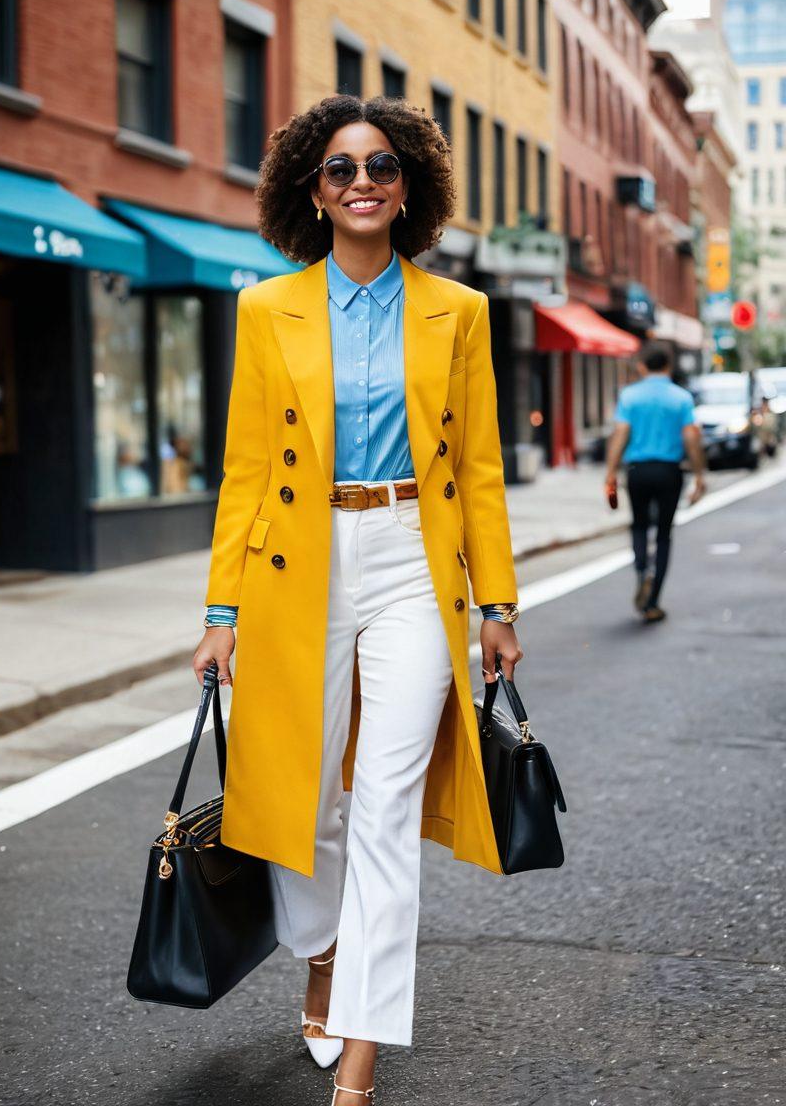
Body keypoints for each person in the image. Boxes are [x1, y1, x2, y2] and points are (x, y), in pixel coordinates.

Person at [191, 94, 522, 1105]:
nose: (362, 181)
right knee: (296, 795)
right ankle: (323, 949)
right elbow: (246, 471)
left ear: (407, 185)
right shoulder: (265, 308)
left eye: (380, 165)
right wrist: (218, 616)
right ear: (313, 188)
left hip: (412, 560)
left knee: (382, 809)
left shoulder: (456, 311)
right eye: (341, 168)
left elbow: (476, 466)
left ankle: (362, 1055)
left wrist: (494, 603)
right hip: (299, 559)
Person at [605, 345, 706, 623]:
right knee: (663, 533)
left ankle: (642, 569)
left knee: (638, 524)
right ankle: (652, 602)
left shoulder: (629, 396)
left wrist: (610, 473)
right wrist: (699, 475)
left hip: (638, 471)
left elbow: (620, 434)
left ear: (642, 366)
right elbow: (691, 438)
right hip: (669, 472)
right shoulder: (681, 397)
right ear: (668, 366)